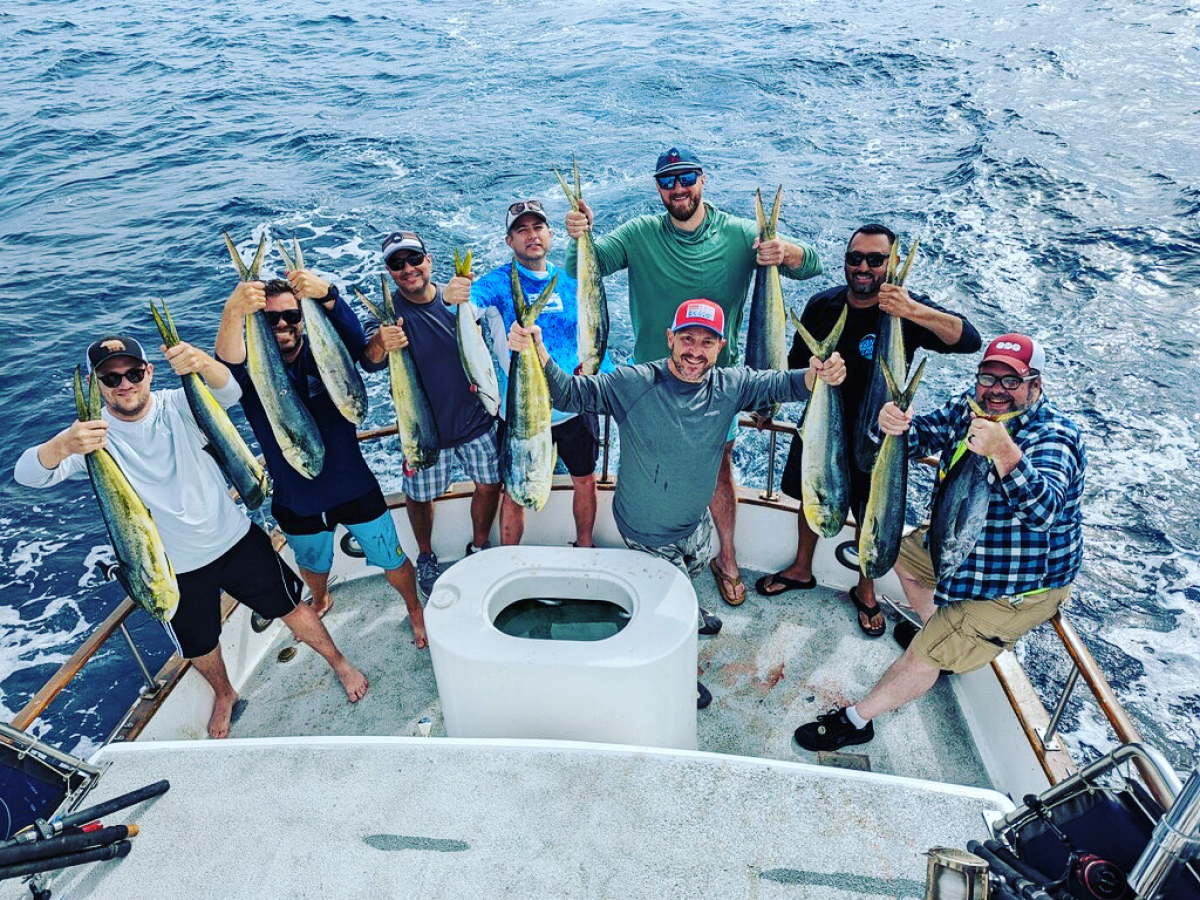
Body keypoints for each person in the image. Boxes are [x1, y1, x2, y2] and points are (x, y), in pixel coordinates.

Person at [14, 336, 369, 739]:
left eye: (132, 373)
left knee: (293, 608)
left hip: (235, 541)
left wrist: (201, 361)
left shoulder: (179, 404)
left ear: (148, 372)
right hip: (170, 572)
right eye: (111, 378)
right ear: (98, 385)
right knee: (200, 646)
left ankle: (339, 662)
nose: (124, 384)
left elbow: (230, 390)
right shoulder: (92, 437)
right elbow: (28, 475)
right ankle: (225, 693)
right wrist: (61, 445)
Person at [509, 299, 846, 709]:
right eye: (686, 338)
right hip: (646, 530)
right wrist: (537, 351)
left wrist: (818, 374)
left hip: (694, 524)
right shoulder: (633, 382)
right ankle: (679, 675)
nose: (694, 350)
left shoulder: (731, 385)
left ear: (720, 347)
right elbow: (567, 393)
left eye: (707, 341)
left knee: (701, 561)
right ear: (670, 338)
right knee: (671, 615)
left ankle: (687, 603)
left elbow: (785, 385)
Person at [792, 334, 1084, 751]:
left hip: (1017, 587)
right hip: (959, 546)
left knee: (922, 656)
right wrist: (893, 426)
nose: (997, 390)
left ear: (1035, 385)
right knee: (898, 556)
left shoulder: (1054, 435)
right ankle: (940, 634)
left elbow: (1045, 513)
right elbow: (921, 437)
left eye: (1011, 381)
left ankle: (859, 720)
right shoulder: (972, 406)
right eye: (989, 377)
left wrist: (1006, 452)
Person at [564, 146, 823, 607]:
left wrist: (786, 251)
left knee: (718, 468)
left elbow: (813, 265)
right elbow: (581, 270)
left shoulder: (742, 235)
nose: (678, 187)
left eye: (686, 177)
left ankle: (727, 558)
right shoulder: (641, 232)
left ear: (702, 180)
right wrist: (579, 236)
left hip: (714, 388)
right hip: (646, 387)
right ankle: (648, 544)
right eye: (667, 181)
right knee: (645, 465)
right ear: (659, 188)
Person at [764, 224, 982, 638]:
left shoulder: (907, 311)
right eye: (855, 258)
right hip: (823, 425)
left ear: (892, 264)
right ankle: (801, 567)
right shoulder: (822, 306)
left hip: (878, 436)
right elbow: (794, 366)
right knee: (813, 496)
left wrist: (910, 310)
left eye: (875, 259)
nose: (863, 267)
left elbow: (968, 340)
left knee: (872, 511)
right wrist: (814, 371)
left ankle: (865, 591)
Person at [214, 268, 426, 647]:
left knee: (393, 561)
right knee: (314, 565)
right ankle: (323, 596)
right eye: (270, 318)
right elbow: (227, 365)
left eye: (292, 316)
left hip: (354, 487)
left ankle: (413, 608)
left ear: (302, 319)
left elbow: (358, 344)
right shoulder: (250, 374)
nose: (282, 324)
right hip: (298, 500)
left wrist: (328, 293)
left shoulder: (326, 355)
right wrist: (235, 308)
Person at [444, 199, 610, 548]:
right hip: (518, 411)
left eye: (537, 228)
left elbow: (591, 338)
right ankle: (509, 556)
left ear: (550, 234)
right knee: (514, 490)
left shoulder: (568, 282)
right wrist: (452, 295)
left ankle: (585, 545)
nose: (531, 236)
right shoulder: (493, 284)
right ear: (509, 241)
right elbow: (465, 309)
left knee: (585, 479)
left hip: (573, 406)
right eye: (521, 230)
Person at [363, 231, 503, 597]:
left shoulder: (458, 300)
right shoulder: (388, 314)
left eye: (413, 259)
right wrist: (382, 340)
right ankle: (425, 555)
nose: (408, 269)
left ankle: (480, 544)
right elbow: (370, 360)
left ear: (429, 260)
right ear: (390, 272)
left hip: (476, 420)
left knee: (489, 485)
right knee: (419, 496)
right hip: (423, 431)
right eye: (397, 264)